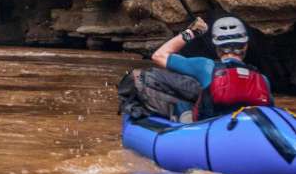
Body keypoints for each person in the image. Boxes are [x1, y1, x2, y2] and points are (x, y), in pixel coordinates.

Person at [117, 13, 273, 123]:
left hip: (208, 130)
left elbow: (159, 55)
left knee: (182, 105)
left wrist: (192, 32)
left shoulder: (205, 66)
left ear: (216, 46)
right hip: (245, 133)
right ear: (245, 46)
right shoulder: (262, 79)